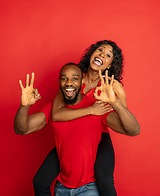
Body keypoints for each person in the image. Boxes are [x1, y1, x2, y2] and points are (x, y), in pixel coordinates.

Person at [14, 63, 140, 196]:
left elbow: (133, 130)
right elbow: (22, 129)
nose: (69, 83)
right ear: (59, 82)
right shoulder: (52, 110)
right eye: (64, 78)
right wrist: (24, 106)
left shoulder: (97, 107)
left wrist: (115, 102)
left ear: (82, 82)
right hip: (61, 188)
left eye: (74, 78)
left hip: (89, 189)